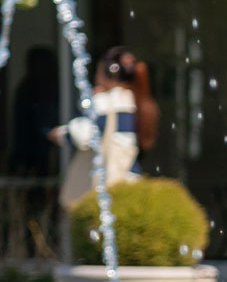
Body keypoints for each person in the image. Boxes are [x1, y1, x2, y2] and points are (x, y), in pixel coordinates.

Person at [57, 47, 155, 207]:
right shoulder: (141, 103)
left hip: (107, 188)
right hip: (131, 182)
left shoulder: (104, 102)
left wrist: (60, 134)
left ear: (105, 74)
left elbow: (82, 136)